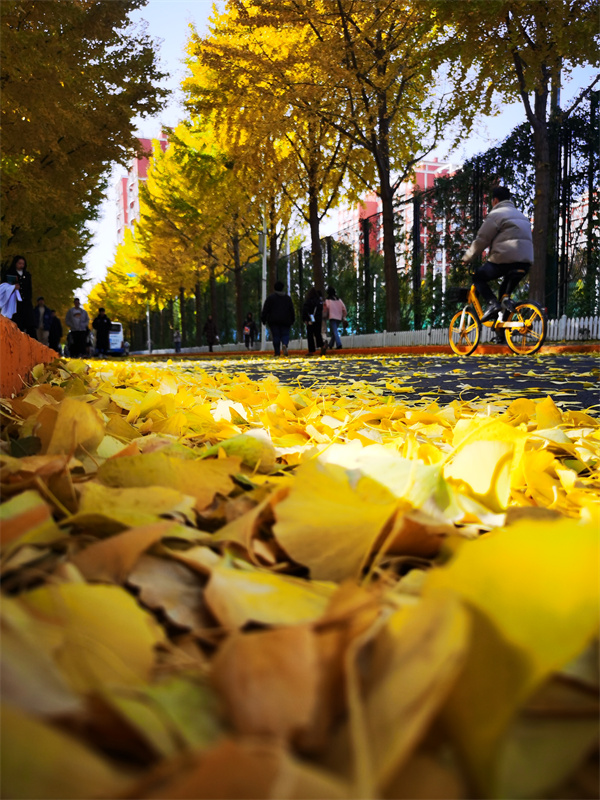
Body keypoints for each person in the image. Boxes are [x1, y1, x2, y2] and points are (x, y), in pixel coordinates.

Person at [462, 186, 533, 325]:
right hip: (525, 262)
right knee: (504, 296)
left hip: (505, 260)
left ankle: (491, 303)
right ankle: (502, 330)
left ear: (495, 201)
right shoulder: (521, 216)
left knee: (478, 276)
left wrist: (467, 258)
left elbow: (482, 239)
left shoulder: (496, 215)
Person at [261, 280, 295, 356]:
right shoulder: (287, 298)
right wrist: (292, 319)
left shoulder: (270, 298)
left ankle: (277, 352)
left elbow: (265, 309)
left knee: (276, 336)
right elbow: (291, 310)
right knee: (285, 334)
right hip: (286, 320)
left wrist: (263, 319)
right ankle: (285, 344)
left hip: (274, 321)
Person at [3, 255, 34, 336]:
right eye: (19, 263)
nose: (21, 265)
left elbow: (29, 289)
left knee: (29, 324)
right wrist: (12, 287)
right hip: (14, 303)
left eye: (23, 264)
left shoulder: (27, 275)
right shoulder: (9, 273)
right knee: (15, 323)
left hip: (25, 303)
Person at [302, 286, 326, 355]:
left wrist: (305, 319)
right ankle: (322, 346)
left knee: (310, 335)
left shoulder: (308, 301)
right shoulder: (319, 302)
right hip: (318, 320)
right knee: (318, 334)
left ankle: (311, 350)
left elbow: (305, 310)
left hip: (310, 319)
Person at [324, 285, 347, 350]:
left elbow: (326, 309)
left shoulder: (327, 300)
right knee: (335, 331)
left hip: (332, 317)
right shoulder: (339, 300)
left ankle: (339, 344)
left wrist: (325, 317)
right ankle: (330, 345)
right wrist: (344, 316)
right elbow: (344, 308)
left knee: (335, 331)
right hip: (339, 318)